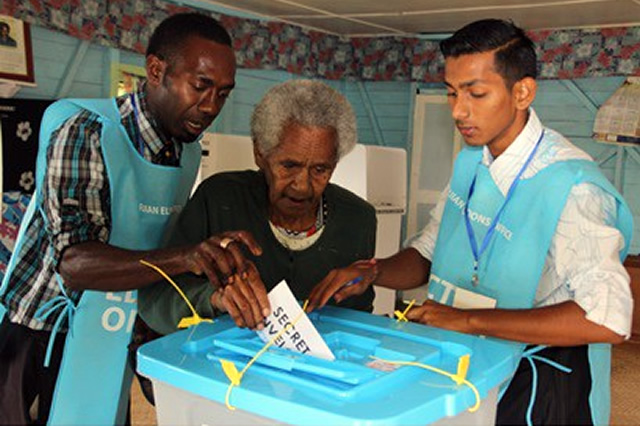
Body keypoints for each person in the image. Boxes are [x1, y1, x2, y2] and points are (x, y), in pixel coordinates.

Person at [308, 19, 633, 425]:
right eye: (451, 92)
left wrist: (467, 320)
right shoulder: (470, 165)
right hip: (471, 362)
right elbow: (429, 251)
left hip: (542, 382)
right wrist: (373, 272)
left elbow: (607, 318)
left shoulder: (572, 187)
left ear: (522, 92)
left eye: (476, 93)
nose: (459, 110)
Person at [0, 12, 261, 425]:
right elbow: (75, 264)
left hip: (113, 329)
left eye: (223, 94)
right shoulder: (85, 130)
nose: (211, 106)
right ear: (156, 70)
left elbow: (151, 250)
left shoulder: (187, 151)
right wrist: (187, 258)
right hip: (43, 335)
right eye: (201, 86)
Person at [138, 79, 376, 336]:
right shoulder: (220, 198)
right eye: (289, 166)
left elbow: (359, 318)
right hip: (221, 369)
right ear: (260, 153)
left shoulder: (357, 219)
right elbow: (154, 300)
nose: (303, 186)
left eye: (320, 169)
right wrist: (215, 299)